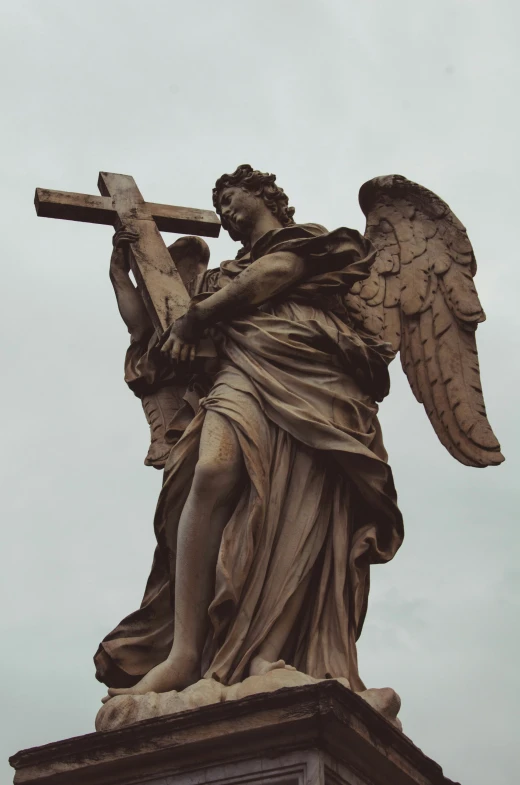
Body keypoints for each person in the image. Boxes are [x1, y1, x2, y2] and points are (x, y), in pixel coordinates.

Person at [97, 164, 403, 700]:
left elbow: (274, 274)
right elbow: (154, 332)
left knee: (297, 510)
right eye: (220, 208)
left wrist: (199, 318)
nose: (227, 213)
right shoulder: (218, 279)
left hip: (314, 378)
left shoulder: (308, 243)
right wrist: (122, 276)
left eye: (233, 199)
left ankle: (273, 651)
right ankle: (185, 653)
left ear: (266, 196)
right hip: (241, 371)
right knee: (210, 472)